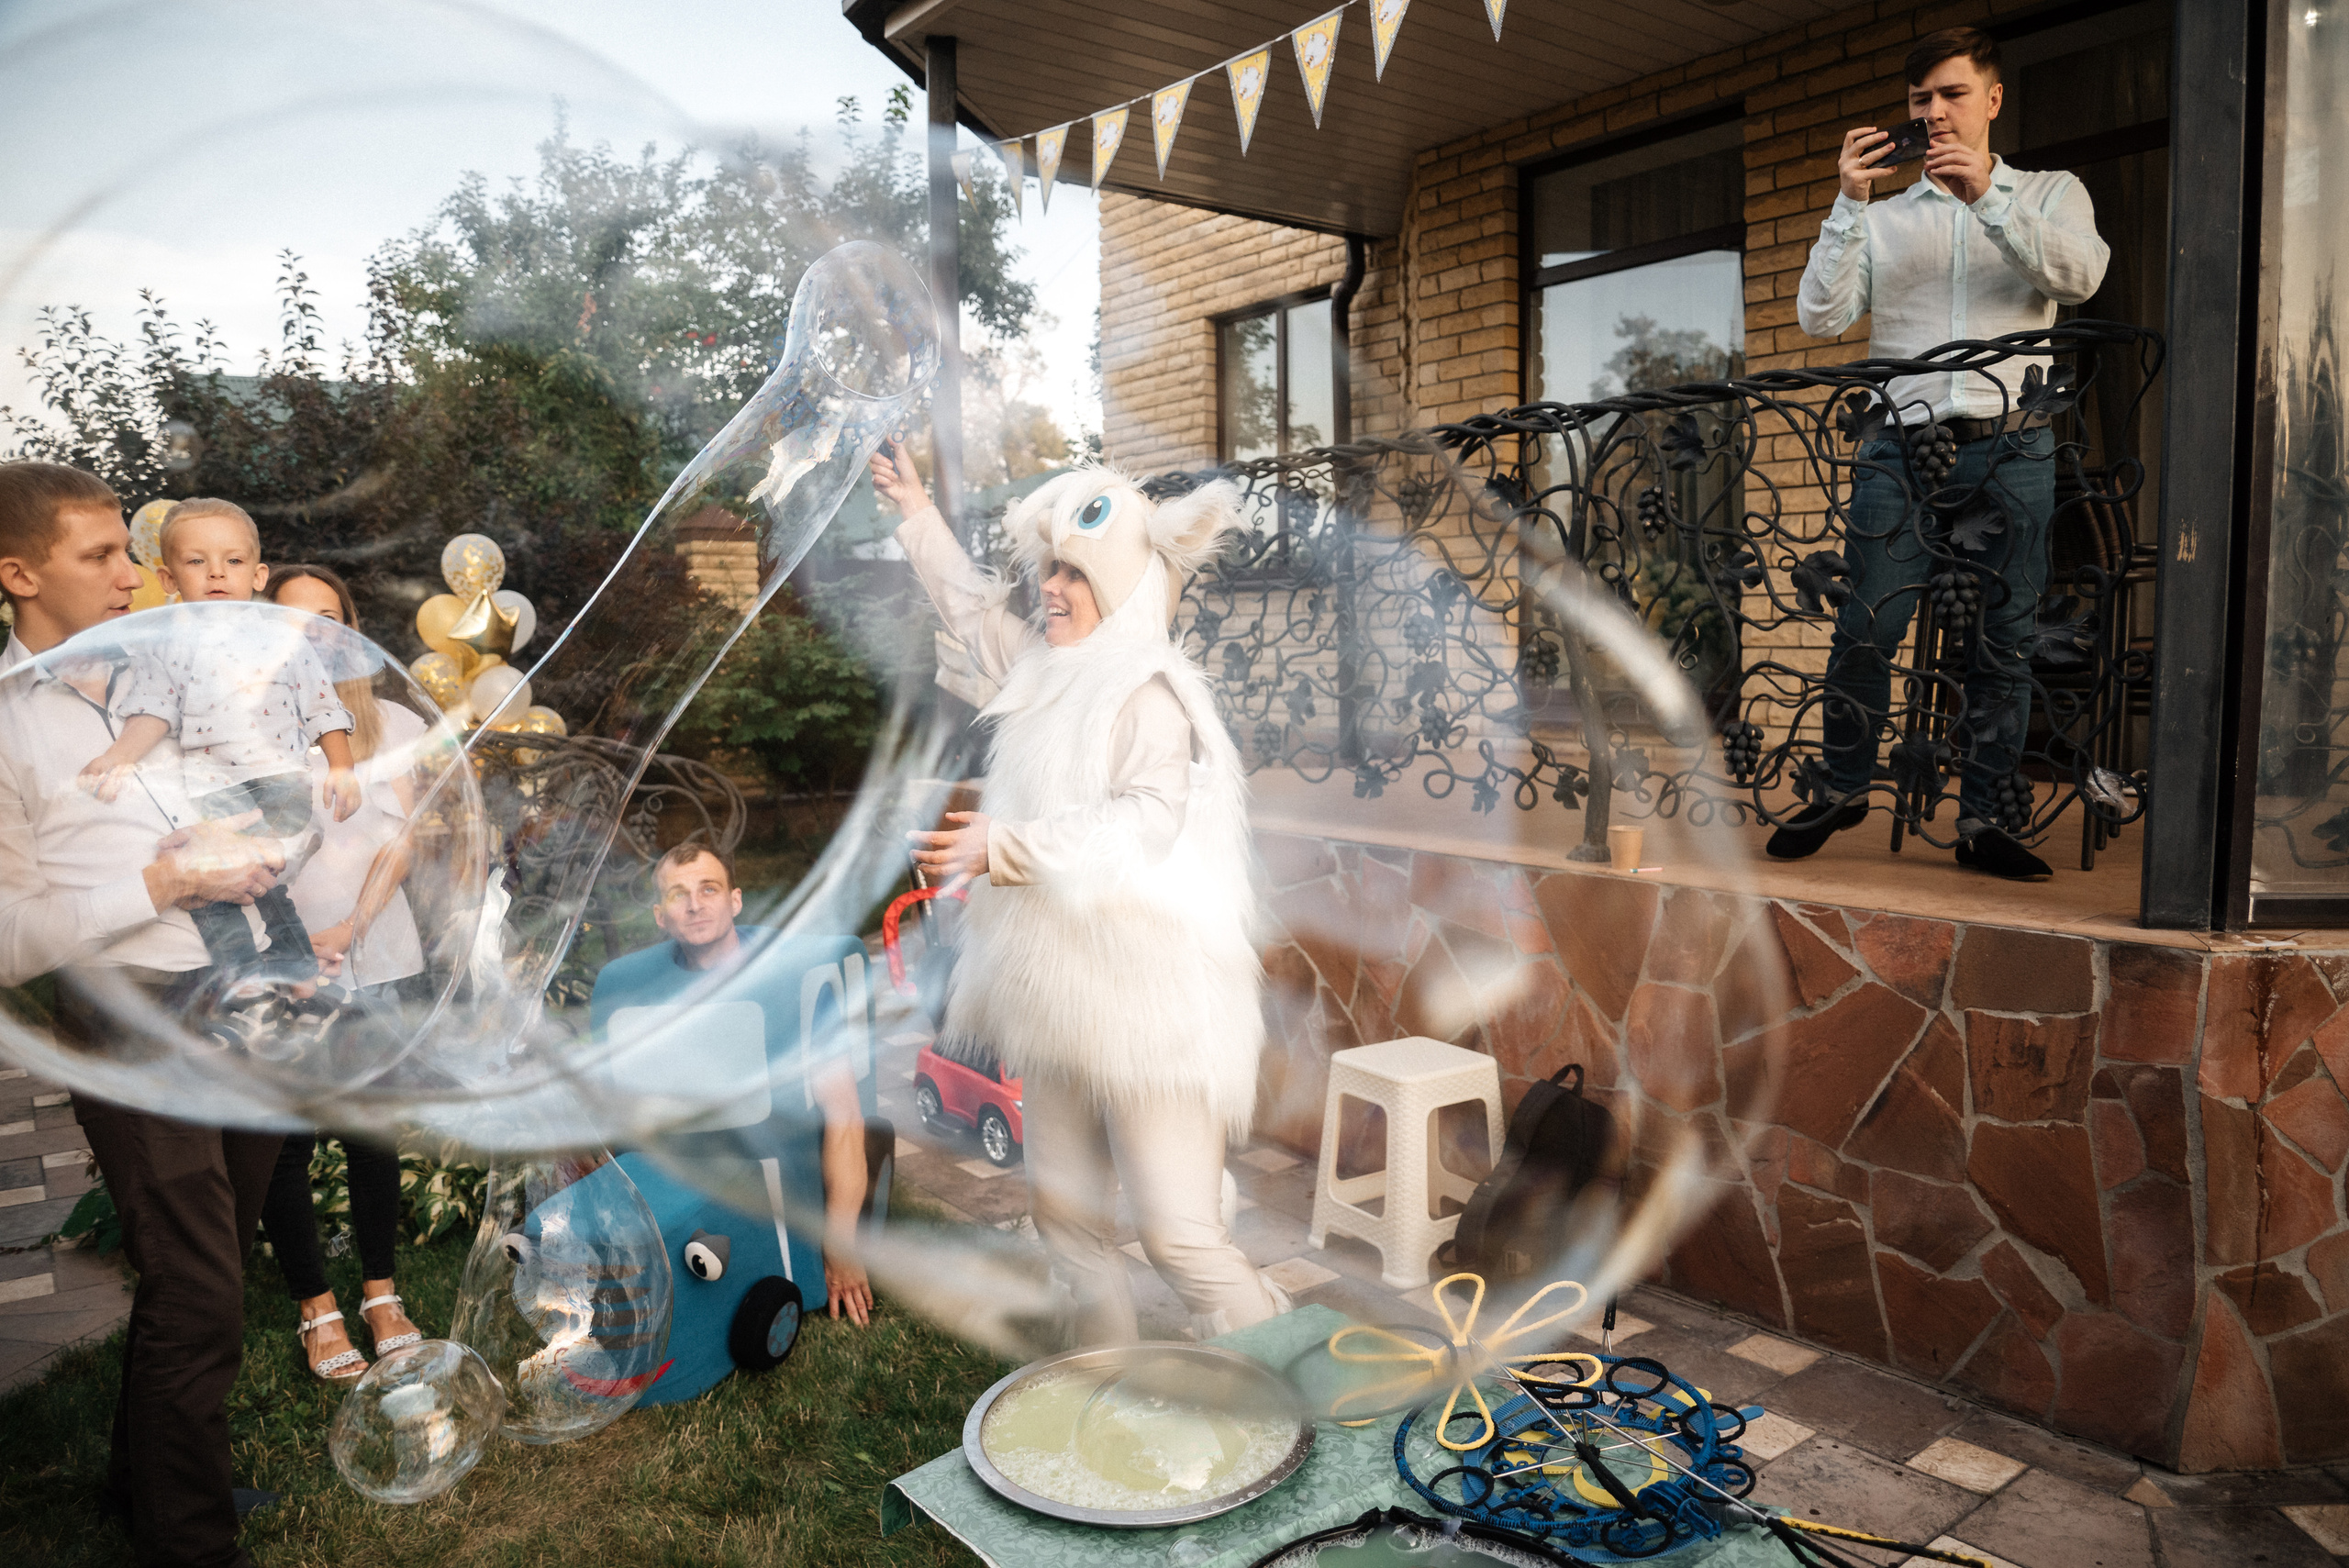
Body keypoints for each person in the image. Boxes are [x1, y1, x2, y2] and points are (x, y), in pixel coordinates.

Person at [869, 439, 1291, 1346]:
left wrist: (1005, 844)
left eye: (1073, 573)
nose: (1050, 588)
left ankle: (1295, 1390)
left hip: (1152, 1012)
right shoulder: (1046, 671)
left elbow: (1144, 823)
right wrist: (914, 508)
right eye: (1049, 568)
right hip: (1060, 1002)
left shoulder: (1149, 695)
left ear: (1122, 585)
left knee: (1180, 1238)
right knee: (1067, 1224)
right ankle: (1102, 1386)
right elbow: (970, 606)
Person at [0, 461, 290, 1567]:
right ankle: (190, 1540)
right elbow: (11, 937)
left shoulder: (161, 674)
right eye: (103, 555)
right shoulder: (6, 730)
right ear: (20, 574)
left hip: (234, 983)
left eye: (129, 549)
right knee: (198, 1280)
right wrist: (162, 884)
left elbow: (240, 788)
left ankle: (151, 1480)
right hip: (130, 1014)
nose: (135, 573)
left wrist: (243, 842)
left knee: (211, 1257)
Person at [1782, 26, 2110, 880]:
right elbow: (1819, 317)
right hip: (1901, 449)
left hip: (2012, 446)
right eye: (1920, 98)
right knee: (1867, 623)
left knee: (2005, 638)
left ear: (1992, 99)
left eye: (1952, 94)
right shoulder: (1882, 219)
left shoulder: (2051, 193)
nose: (1933, 112)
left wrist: (1989, 199)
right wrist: (1848, 203)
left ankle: (1982, 819)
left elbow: (2081, 277)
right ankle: (1842, 786)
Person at [252, 564, 430, 1384]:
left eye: (329, 618)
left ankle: (382, 1296)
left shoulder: (391, 722)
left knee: (370, 1131)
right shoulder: (240, 727)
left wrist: (350, 929)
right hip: (277, 960)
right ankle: (315, 1308)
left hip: (375, 952)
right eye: (294, 620)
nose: (314, 636)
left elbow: (404, 841)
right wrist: (295, 945)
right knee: (286, 1141)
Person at [590, 842, 875, 1325]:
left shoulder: (792, 979)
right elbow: (610, 1121)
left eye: (709, 889)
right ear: (661, 917)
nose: (695, 904)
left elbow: (844, 1117)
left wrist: (842, 1242)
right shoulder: (631, 991)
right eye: (678, 895)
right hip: (687, 1177)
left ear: (735, 900)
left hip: (781, 1174)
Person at [78, 499, 360, 982]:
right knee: (226, 883)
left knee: (235, 871)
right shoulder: (166, 647)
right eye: (196, 561)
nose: (216, 573)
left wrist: (341, 766)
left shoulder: (284, 639)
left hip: (279, 783)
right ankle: (268, 972)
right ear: (168, 579)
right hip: (212, 787)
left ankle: (259, 973)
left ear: (258, 575)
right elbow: (155, 710)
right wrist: (118, 756)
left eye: (233, 560)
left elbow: (321, 706)